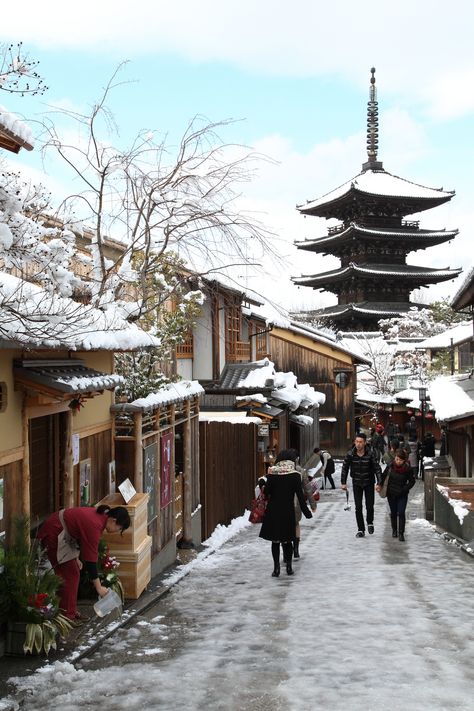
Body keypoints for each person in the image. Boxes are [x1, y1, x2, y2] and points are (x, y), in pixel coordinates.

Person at [38, 504, 131, 622]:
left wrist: (76, 557)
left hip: (64, 534)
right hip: (55, 531)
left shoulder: (101, 518)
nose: (117, 531)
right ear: (113, 520)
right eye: (119, 528)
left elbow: (80, 536)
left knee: (73, 572)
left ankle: (69, 611)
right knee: (69, 575)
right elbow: (91, 561)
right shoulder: (95, 524)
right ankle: (66, 616)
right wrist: (99, 587)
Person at [259, 449, 312, 577]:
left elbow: (266, 493)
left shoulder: (272, 475)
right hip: (288, 511)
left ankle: (276, 569)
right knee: (287, 541)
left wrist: (262, 484)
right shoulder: (295, 476)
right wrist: (306, 512)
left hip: (273, 511)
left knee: (275, 541)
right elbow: (300, 496)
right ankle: (289, 567)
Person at [341, 433, 382, 538]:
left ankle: (370, 522)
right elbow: (345, 468)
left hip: (369, 482)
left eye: (360, 442)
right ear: (355, 442)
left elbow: (377, 468)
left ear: (364, 443)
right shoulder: (350, 454)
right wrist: (343, 482)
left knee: (369, 506)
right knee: (358, 507)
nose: (358, 444)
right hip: (357, 483)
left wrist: (379, 482)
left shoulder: (371, 453)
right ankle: (361, 529)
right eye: (357, 442)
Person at [377, 448, 415, 541]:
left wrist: (404, 489)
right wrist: (379, 484)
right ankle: (394, 530)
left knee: (401, 513)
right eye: (397, 459)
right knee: (393, 512)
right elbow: (383, 476)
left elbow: (412, 481)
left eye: (400, 460)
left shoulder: (407, 469)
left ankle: (401, 533)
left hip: (402, 494)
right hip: (391, 493)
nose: (398, 461)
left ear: (404, 460)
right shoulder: (390, 466)